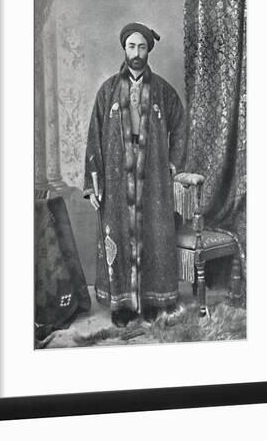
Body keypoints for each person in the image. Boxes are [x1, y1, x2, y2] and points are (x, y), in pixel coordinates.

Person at [83, 22, 186, 327]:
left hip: (153, 180)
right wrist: (93, 183)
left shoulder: (163, 91)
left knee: (155, 236)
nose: (137, 53)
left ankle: (154, 300)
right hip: (116, 183)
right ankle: (122, 306)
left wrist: (173, 164)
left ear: (148, 50)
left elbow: (180, 126)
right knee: (118, 237)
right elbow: (94, 137)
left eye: (142, 47)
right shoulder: (108, 91)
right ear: (124, 49)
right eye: (132, 46)